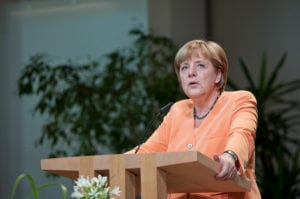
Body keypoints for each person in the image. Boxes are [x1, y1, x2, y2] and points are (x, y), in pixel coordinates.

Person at [129, 39, 261, 199]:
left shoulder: (239, 100)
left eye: (200, 65)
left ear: (218, 75)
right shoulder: (177, 110)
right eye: (184, 67)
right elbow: (147, 151)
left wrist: (230, 156)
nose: (191, 72)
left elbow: (242, 133)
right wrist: (112, 165)